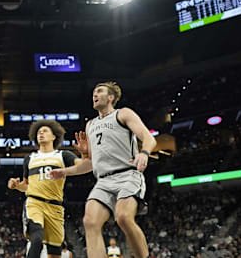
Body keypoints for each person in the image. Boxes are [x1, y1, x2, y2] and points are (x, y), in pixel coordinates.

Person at [51, 82, 156, 258]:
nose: (95, 94)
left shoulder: (122, 114)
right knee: (90, 221)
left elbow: (149, 138)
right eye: (93, 92)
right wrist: (66, 171)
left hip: (127, 174)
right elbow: (90, 164)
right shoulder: (90, 125)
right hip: (103, 181)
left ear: (111, 97)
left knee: (123, 217)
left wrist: (144, 153)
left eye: (99, 91)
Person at [8, 120, 91, 258]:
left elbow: (84, 166)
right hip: (35, 203)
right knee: (36, 239)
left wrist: (85, 154)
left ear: (54, 137)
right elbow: (27, 185)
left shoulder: (63, 156)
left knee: (54, 252)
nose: (41, 133)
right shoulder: (30, 158)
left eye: (45, 131)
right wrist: (16, 186)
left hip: (55, 207)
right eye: (39, 132)